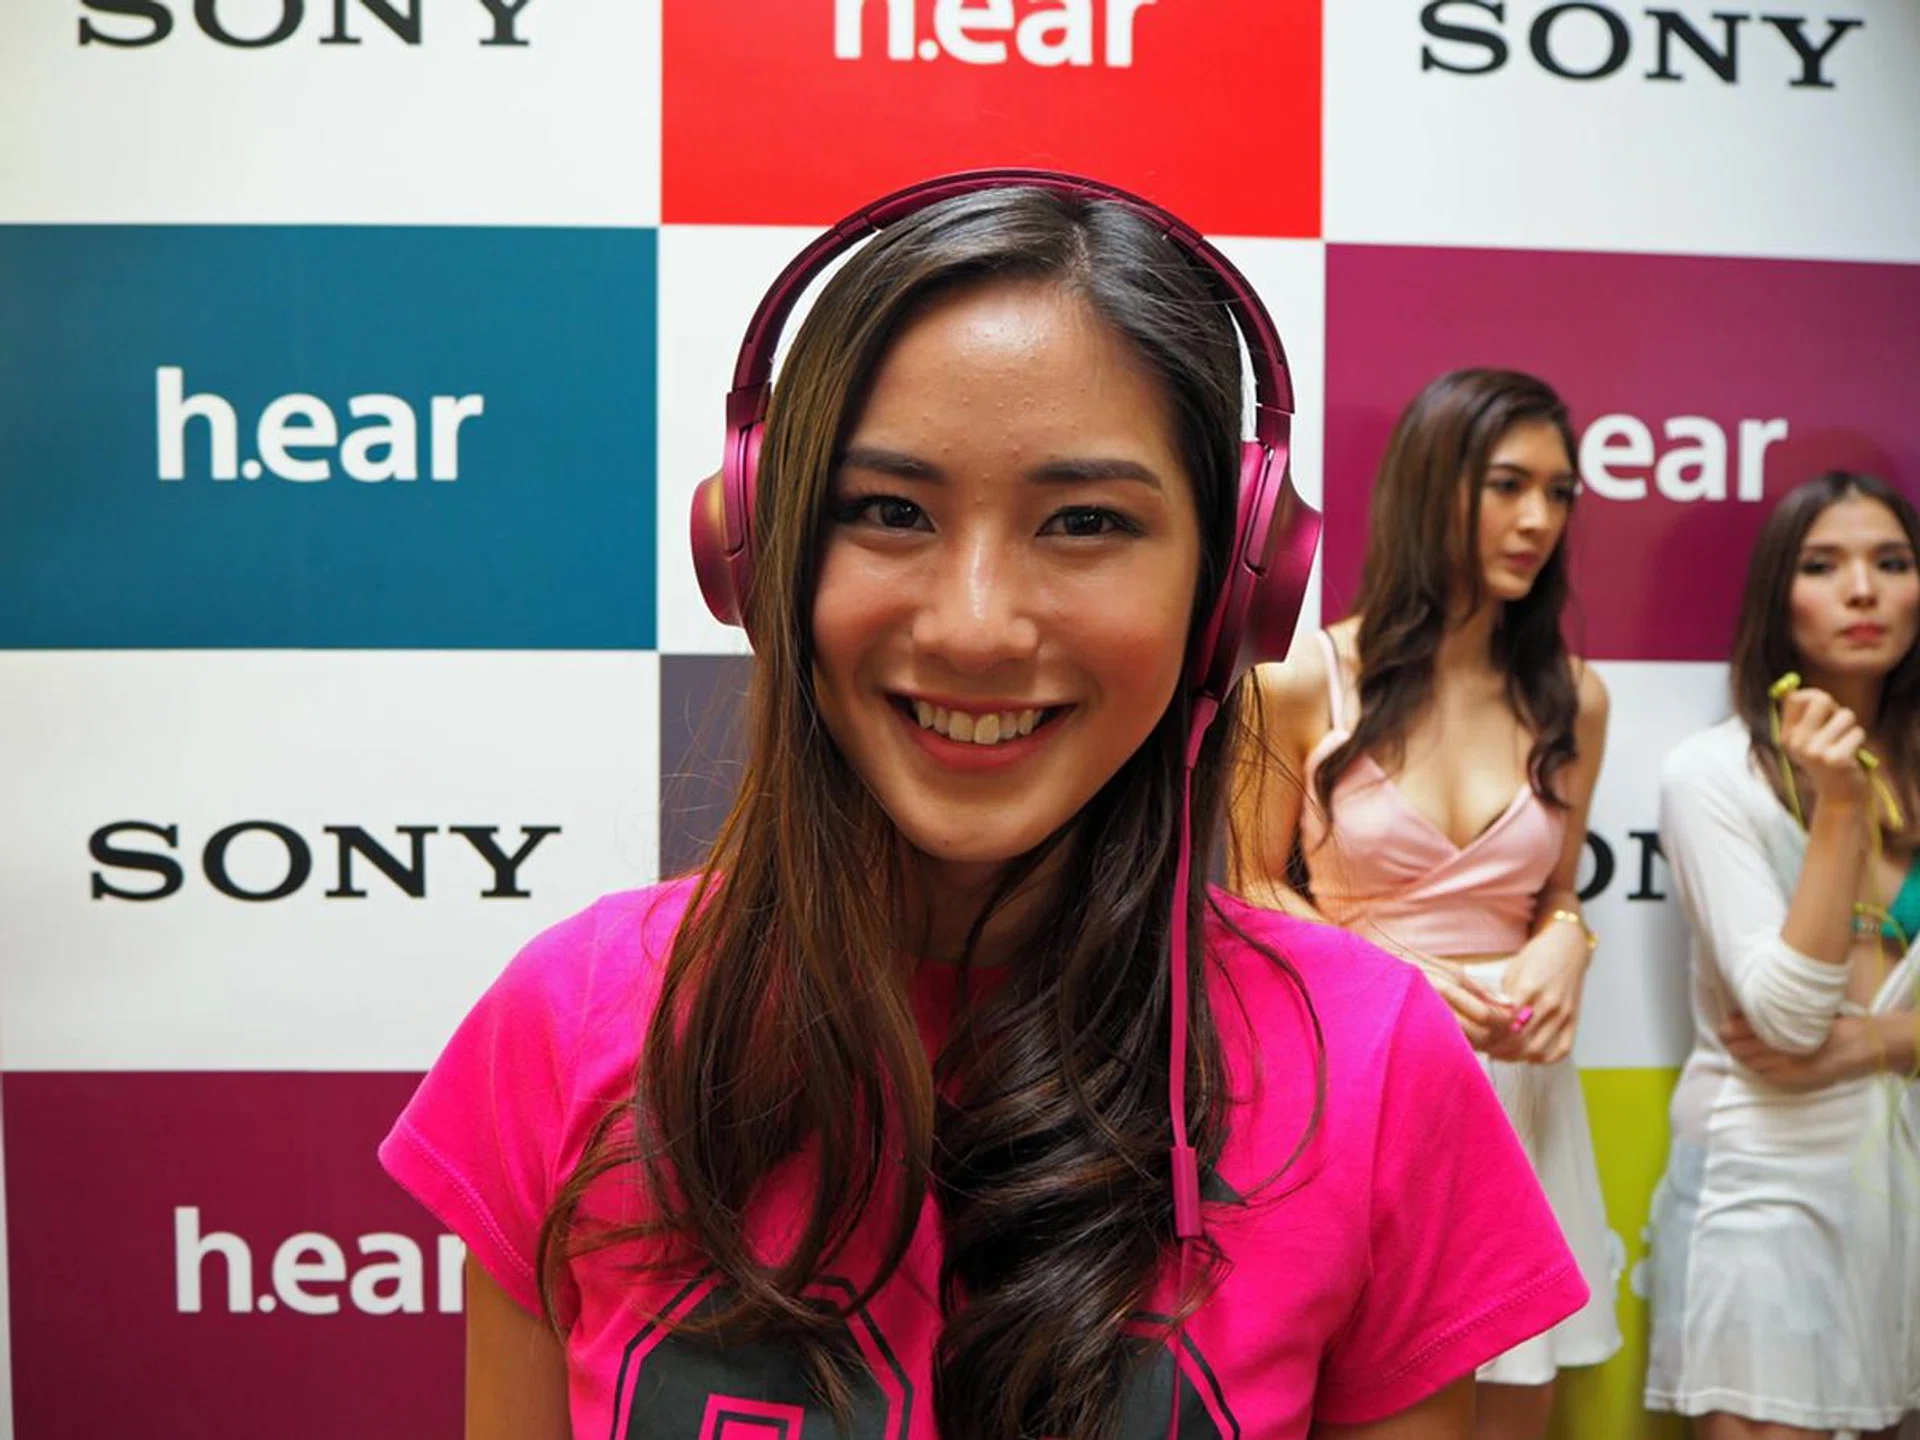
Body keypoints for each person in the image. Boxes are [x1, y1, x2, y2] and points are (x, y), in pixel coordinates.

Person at [379, 175, 1588, 1440]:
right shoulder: (567, 1018)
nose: (975, 627)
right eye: (888, 511)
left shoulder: (1379, 1068)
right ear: (759, 553)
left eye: (1085, 521)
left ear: (1232, 591)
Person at [1228, 369, 1623, 1440]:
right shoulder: (1301, 677)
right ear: (1430, 484)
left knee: (1517, 1404)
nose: (1538, 520)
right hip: (1361, 1074)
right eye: (1507, 485)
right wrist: (1387, 978)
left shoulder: (1574, 698)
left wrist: (1568, 937)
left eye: (1559, 492)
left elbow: (1557, 892)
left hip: (1522, 1089)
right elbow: (1246, 886)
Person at [1644, 470, 1920, 1440]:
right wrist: (1841, 803)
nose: (1863, 590)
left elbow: (1835, 1038)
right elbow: (1790, 1019)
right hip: (1766, 1186)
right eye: (1823, 565)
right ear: (1778, 594)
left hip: (1903, 1188)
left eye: (1892, 562)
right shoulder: (1713, 773)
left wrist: (1876, 1043)